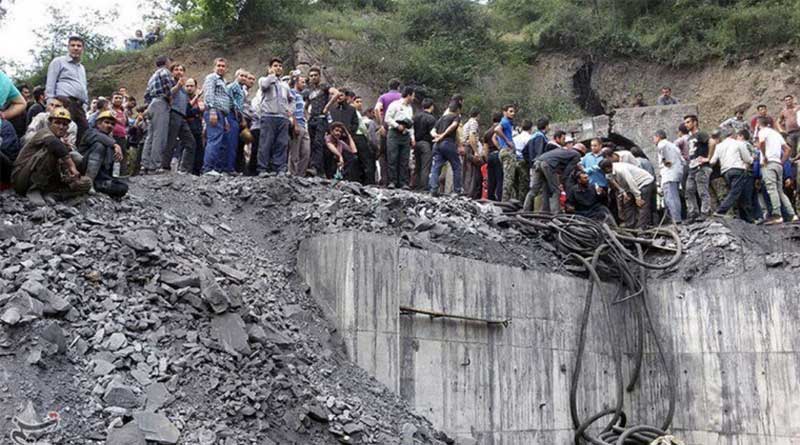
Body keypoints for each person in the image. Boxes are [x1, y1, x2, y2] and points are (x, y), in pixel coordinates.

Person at [12, 108, 91, 196]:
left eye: (64, 124)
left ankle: (55, 195)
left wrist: (70, 175)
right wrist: (71, 166)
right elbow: (53, 143)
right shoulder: (43, 133)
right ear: (50, 124)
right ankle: (34, 190)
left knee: (86, 181)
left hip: (48, 179)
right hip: (23, 177)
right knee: (50, 152)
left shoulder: (61, 142)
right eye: (57, 122)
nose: (61, 127)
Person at [45, 36, 89, 144]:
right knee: (65, 130)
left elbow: (83, 86)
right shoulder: (58, 62)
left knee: (83, 132)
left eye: (79, 46)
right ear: (68, 47)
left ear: (82, 49)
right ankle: (62, 157)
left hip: (80, 105)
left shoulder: (81, 68)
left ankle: (77, 158)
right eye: (73, 45)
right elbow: (50, 83)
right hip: (64, 102)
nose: (76, 48)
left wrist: (86, 104)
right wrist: (50, 103)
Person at [523, 130, 578, 214]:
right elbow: (567, 171)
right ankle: (556, 214)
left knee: (536, 189)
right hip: (547, 165)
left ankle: (526, 211)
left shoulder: (562, 152)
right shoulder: (576, 155)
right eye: (563, 139)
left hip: (537, 163)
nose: (565, 141)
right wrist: (563, 180)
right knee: (555, 190)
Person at [757, 116, 798, 224]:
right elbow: (787, 149)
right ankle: (792, 214)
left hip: (768, 164)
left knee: (772, 189)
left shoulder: (763, 131)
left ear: (759, 123)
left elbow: (761, 143)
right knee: (780, 191)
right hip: (778, 164)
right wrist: (782, 161)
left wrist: (764, 156)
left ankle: (777, 215)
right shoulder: (776, 134)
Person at [257, 57, 294, 174]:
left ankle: (279, 168)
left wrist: (290, 111)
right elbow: (264, 86)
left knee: (281, 144)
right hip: (268, 116)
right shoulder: (264, 79)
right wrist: (271, 75)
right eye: (275, 66)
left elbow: (291, 99)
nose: (278, 68)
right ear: (270, 68)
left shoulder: (285, 85)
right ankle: (262, 168)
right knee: (266, 143)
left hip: (282, 118)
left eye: (280, 66)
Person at [78, 110, 127, 197]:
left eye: (112, 124)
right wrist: (115, 145)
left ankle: (99, 186)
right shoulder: (90, 132)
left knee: (122, 187)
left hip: (101, 176)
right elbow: (98, 137)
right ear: (98, 124)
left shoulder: (111, 142)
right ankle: (88, 182)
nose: (109, 125)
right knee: (99, 146)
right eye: (106, 122)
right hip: (83, 169)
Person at [708, 127, 753, 221]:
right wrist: (753, 159)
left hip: (725, 172)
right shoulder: (738, 143)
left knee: (738, 192)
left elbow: (712, 161)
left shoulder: (719, 146)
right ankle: (721, 211)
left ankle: (747, 218)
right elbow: (747, 159)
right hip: (738, 169)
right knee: (735, 192)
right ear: (733, 134)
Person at [141, 55, 176, 174]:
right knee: (159, 136)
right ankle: (155, 166)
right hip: (161, 103)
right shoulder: (165, 72)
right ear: (166, 62)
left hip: (152, 104)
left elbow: (146, 95)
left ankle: (144, 165)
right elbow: (168, 88)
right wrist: (170, 99)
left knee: (150, 136)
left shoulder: (152, 76)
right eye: (170, 61)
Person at [601, 158, 655, 229]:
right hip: (630, 187)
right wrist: (623, 192)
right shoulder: (608, 173)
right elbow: (614, 182)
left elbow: (631, 182)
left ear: (608, 168)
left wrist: (638, 197)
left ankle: (642, 229)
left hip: (643, 182)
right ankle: (631, 226)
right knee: (627, 204)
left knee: (642, 205)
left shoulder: (621, 170)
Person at [202, 58, 232, 175]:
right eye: (219, 65)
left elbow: (223, 101)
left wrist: (225, 119)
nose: (221, 68)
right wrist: (212, 111)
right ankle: (208, 168)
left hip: (221, 114)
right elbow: (209, 95)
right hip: (214, 111)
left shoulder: (223, 81)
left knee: (219, 142)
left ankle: (215, 168)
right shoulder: (212, 78)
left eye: (223, 66)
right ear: (214, 67)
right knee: (214, 140)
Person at [164, 63, 195, 173]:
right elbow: (168, 93)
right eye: (176, 69)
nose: (179, 71)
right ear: (172, 72)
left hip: (182, 117)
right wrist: (178, 85)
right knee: (171, 141)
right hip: (173, 113)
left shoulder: (183, 87)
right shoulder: (171, 82)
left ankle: (184, 170)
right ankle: (165, 167)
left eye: (181, 70)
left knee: (190, 142)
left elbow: (187, 103)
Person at [304, 67, 333, 177]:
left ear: (319, 76)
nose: (313, 77)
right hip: (312, 119)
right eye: (311, 76)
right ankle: (314, 168)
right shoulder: (309, 91)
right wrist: (307, 115)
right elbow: (306, 105)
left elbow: (335, 93)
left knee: (318, 142)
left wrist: (327, 107)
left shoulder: (324, 87)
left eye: (315, 75)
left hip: (321, 118)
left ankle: (316, 168)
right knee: (312, 143)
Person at [428, 101, 463, 194]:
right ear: (458, 110)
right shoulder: (456, 117)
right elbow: (453, 126)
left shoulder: (442, 118)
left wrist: (437, 136)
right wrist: (443, 135)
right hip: (448, 143)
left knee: (436, 166)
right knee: (457, 166)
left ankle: (433, 189)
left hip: (437, 145)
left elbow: (432, 131)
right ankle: (457, 190)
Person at [384, 86, 415, 188]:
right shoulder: (395, 105)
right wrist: (397, 126)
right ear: (409, 95)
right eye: (413, 95)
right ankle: (392, 181)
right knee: (392, 157)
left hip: (405, 134)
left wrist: (412, 137)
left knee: (404, 159)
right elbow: (387, 118)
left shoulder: (410, 108)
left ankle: (403, 182)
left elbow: (411, 124)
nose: (414, 98)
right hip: (394, 132)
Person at [683, 115, 713, 220]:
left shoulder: (701, 134)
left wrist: (708, 158)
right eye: (685, 122)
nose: (686, 124)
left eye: (688, 122)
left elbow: (712, 142)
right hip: (693, 167)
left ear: (695, 122)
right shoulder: (690, 137)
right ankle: (693, 212)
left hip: (702, 167)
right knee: (689, 190)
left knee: (702, 190)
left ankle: (705, 212)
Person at [374, 79, 403, 185]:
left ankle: (385, 180)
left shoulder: (383, 97)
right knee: (399, 154)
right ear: (398, 87)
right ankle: (398, 181)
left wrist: (380, 125)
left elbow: (377, 109)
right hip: (400, 127)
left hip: (386, 126)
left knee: (384, 153)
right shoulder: (401, 97)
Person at [326, 88, 358, 178]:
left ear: (346, 97)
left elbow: (355, 123)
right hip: (333, 138)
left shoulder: (351, 109)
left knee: (351, 157)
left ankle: (346, 176)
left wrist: (348, 132)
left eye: (341, 95)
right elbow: (328, 121)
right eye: (337, 95)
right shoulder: (332, 109)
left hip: (346, 138)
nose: (339, 97)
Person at [655, 130, 684, 223]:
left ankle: (676, 219)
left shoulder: (662, 144)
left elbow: (662, 149)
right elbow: (682, 160)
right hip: (676, 173)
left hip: (669, 173)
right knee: (674, 196)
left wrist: (665, 160)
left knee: (670, 197)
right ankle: (675, 217)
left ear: (658, 137)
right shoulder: (673, 146)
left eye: (654, 138)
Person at [224, 69, 249, 174]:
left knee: (235, 143)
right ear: (236, 76)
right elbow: (229, 101)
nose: (243, 78)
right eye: (241, 75)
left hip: (237, 117)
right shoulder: (231, 87)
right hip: (231, 114)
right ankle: (229, 168)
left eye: (245, 76)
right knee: (231, 142)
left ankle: (232, 167)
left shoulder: (241, 89)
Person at [288, 75, 311, 177]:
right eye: (302, 82)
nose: (304, 84)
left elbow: (303, 111)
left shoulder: (301, 96)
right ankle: (292, 173)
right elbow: (291, 109)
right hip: (297, 125)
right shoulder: (292, 92)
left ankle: (300, 174)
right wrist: (295, 124)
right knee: (294, 152)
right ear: (296, 82)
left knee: (306, 151)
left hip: (304, 124)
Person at [412, 98, 436, 191]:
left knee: (417, 165)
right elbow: (432, 133)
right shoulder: (431, 118)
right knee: (425, 166)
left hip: (416, 142)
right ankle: (423, 186)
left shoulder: (416, 116)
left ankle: (414, 184)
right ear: (431, 107)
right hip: (426, 144)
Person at [507, 118, 533, 202]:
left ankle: (515, 201)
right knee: (524, 183)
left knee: (515, 183)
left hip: (514, 160)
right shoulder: (530, 138)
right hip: (523, 162)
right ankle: (523, 202)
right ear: (531, 128)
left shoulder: (515, 138)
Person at [352, 95, 375, 184]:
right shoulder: (354, 112)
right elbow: (361, 127)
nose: (360, 104)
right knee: (366, 160)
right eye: (357, 102)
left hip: (361, 136)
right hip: (358, 136)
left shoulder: (358, 113)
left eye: (361, 102)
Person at [183, 78, 205, 175]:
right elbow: (187, 112)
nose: (189, 88)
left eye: (191, 86)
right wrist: (197, 110)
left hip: (198, 126)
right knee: (188, 147)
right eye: (187, 86)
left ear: (195, 87)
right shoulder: (183, 98)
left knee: (199, 149)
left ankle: (196, 171)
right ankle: (186, 170)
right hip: (186, 126)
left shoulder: (199, 100)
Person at [461, 108, 483, 199]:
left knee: (467, 171)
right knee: (472, 173)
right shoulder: (474, 123)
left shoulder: (466, 123)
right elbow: (472, 137)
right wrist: (476, 152)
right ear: (478, 115)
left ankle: (467, 193)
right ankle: (470, 195)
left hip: (466, 148)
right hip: (470, 148)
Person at [110, 93, 129, 174]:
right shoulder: (109, 110)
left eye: (120, 98)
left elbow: (126, 123)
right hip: (112, 136)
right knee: (111, 155)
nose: (118, 99)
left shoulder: (123, 112)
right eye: (116, 98)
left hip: (122, 136)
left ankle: (123, 175)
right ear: (112, 100)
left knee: (123, 156)